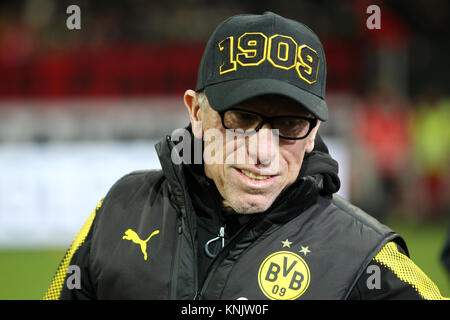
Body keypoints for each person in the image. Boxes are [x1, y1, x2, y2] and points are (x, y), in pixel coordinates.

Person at [44, 12, 447, 300]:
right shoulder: (120, 210)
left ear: (314, 135)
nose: (263, 153)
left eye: (289, 125)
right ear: (196, 113)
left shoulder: (366, 259)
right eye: (242, 119)